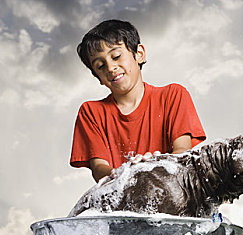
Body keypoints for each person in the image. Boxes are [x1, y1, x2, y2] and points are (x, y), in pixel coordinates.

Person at [70, 19, 206, 182]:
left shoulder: (173, 95)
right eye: (100, 66)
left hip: (172, 187)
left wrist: (152, 167)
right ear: (97, 76)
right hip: (123, 196)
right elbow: (99, 168)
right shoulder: (91, 112)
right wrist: (127, 174)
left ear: (139, 54)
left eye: (116, 56)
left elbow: (182, 151)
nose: (110, 68)